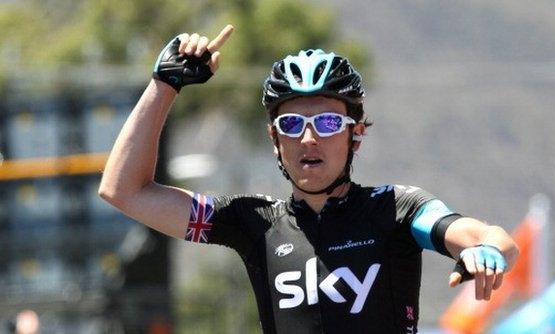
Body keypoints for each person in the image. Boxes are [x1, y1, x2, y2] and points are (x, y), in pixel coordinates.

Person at [99, 25, 519, 333]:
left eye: (329, 121)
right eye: (292, 124)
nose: (309, 137)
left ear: (357, 134)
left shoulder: (396, 209)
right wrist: (163, 85)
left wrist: (487, 251)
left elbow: (489, 236)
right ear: (274, 138)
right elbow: (124, 191)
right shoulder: (254, 223)